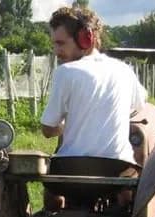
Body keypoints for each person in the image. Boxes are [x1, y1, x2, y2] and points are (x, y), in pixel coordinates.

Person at [39, 6, 148, 165]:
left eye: (61, 43)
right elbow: (140, 103)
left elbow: (48, 129)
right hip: (120, 169)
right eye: (54, 44)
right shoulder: (124, 70)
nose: (56, 51)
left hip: (73, 168)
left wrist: (66, 125)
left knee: (50, 187)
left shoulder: (65, 72)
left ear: (85, 39)